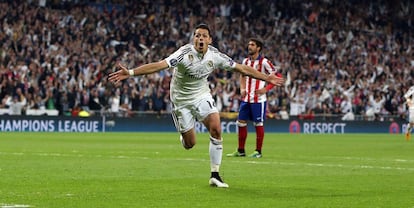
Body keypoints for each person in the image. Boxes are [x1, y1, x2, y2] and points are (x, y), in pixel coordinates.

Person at [108, 24, 284, 188]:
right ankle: (184, 137)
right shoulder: (184, 53)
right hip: (181, 100)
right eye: (197, 36)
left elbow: (242, 69)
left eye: (204, 36)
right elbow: (159, 65)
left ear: (210, 40)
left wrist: (266, 78)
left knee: (216, 128)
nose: (200, 39)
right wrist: (130, 73)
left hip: (201, 95)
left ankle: (215, 174)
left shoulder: (215, 56)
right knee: (190, 144)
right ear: (193, 39)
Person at [226, 38, 280, 158]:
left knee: (258, 123)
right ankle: (240, 151)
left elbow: (276, 77)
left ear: (258, 48)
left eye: (252, 45)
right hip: (246, 99)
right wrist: (242, 88)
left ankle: (258, 151)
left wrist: (265, 89)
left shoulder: (265, 62)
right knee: (240, 123)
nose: (249, 46)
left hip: (258, 100)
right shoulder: (245, 61)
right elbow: (242, 75)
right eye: (249, 44)